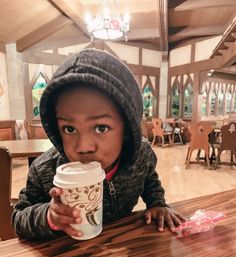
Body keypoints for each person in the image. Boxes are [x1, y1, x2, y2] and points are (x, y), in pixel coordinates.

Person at [12, 49, 186, 239]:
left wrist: (157, 203)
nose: (84, 147)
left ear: (127, 129)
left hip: (121, 248)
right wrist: (49, 217)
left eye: (101, 127)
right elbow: (19, 217)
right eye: (69, 129)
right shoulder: (45, 170)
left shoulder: (140, 155)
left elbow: (149, 179)